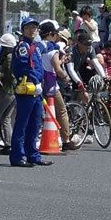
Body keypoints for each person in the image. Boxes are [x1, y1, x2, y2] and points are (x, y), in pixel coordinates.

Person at [9, 17, 52, 167]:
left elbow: (39, 67)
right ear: (22, 30)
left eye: (34, 27)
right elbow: (23, 67)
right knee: (22, 124)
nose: (32, 30)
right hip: (26, 88)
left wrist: (40, 83)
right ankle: (17, 156)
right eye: (28, 27)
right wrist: (33, 82)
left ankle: (32, 154)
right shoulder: (23, 47)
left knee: (35, 124)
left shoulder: (37, 47)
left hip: (37, 90)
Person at [39, 20, 80, 151]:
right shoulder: (53, 48)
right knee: (61, 111)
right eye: (56, 33)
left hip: (39, 83)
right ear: (51, 34)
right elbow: (57, 69)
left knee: (41, 112)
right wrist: (66, 77)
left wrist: (62, 61)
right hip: (51, 85)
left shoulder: (37, 46)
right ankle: (66, 140)